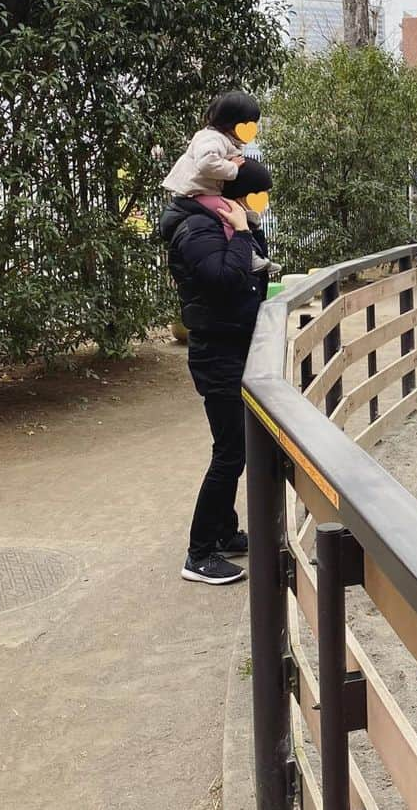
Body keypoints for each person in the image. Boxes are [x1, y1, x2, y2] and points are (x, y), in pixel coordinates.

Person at [159, 158, 274, 584]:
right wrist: (243, 232)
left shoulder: (223, 224)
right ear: (233, 197)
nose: (259, 204)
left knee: (235, 449)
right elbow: (225, 280)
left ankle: (223, 532)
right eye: (255, 196)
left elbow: (255, 264)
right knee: (229, 453)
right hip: (217, 354)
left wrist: (249, 229)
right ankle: (199, 553)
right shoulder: (197, 230)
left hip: (234, 347)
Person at [163, 91, 280, 278]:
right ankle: (249, 256)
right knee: (231, 216)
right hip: (196, 194)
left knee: (238, 216)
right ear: (231, 122)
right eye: (247, 124)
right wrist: (232, 168)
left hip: (205, 193)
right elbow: (206, 163)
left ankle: (253, 253)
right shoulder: (210, 138)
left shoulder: (227, 139)